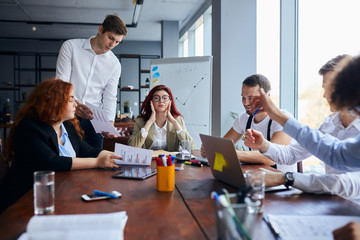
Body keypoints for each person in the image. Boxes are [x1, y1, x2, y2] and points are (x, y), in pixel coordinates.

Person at [243, 55, 360, 201]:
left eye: (333, 87)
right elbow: (295, 153)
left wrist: (287, 178)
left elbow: (346, 183)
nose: (325, 95)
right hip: (331, 203)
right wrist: (264, 145)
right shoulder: (331, 123)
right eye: (326, 88)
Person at [0, 79, 120, 214]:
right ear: (55, 101)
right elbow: (51, 162)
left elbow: (88, 150)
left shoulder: (67, 126)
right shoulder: (29, 127)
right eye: (71, 100)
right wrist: (98, 162)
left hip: (59, 195)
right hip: (24, 202)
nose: (76, 104)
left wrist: (120, 157)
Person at [56, 14, 128, 149]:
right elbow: (61, 83)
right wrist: (76, 104)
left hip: (95, 119)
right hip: (67, 114)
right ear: (100, 30)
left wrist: (109, 122)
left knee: (95, 161)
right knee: (68, 159)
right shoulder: (71, 47)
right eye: (110, 38)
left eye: (117, 42)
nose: (112, 44)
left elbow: (110, 96)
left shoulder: (114, 64)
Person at [201, 74, 294, 171]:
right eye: (243, 97)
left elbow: (271, 157)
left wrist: (228, 153)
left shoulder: (282, 119)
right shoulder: (244, 119)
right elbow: (223, 146)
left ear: (267, 96)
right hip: (258, 178)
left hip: (283, 182)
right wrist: (210, 150)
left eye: (251, 98)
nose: (246, 103)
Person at [128, 85, 194, 151]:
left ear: (170, 102)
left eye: (165, 98)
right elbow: (132, 147)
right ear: (151, 102)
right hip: (148, 160)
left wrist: (174, 122)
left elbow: (191, 148)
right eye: (156, 98)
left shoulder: (178, 120)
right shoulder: (140, 121)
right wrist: (149, 122)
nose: (161, 101)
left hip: (171, 160)